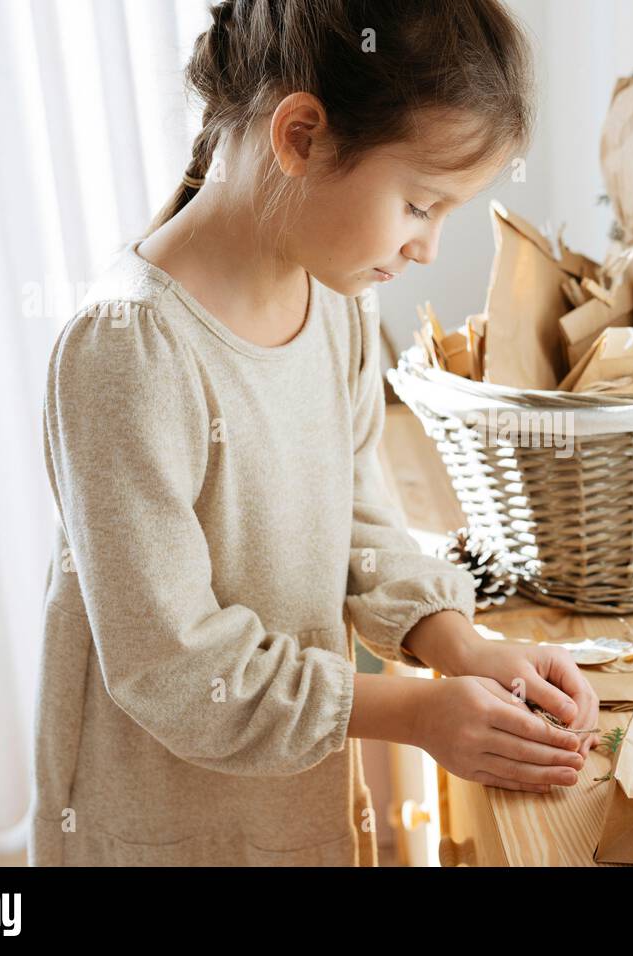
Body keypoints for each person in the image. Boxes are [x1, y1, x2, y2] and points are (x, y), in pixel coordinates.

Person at [30, 0, 598, 866]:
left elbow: (359, 517)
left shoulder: (335, 303)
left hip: (292, 798)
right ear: (299, 136)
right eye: (418, 204)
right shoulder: (127, 352)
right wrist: (412, 714)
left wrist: (462, 646)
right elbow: (171, 667)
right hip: (159, 823)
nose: (427, 249)